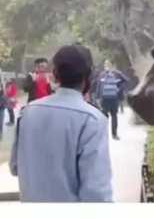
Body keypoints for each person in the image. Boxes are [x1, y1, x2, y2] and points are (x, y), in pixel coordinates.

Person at [9, 45, 112, 202]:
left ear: (55, 75)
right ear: (89, 75)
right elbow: (96, 192)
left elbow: (15, 167)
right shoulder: (92, 120)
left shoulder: (27, 114)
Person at [97, 60, 128, 140]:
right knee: (113, 116)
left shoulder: (102, 74)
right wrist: (119, 89)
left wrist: (98, 97)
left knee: (104, 116)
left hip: (105, 98)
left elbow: (99, 86)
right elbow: (126, 80)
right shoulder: (117, 73)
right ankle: (114, 135)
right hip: (113, 98)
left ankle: (104, 135)